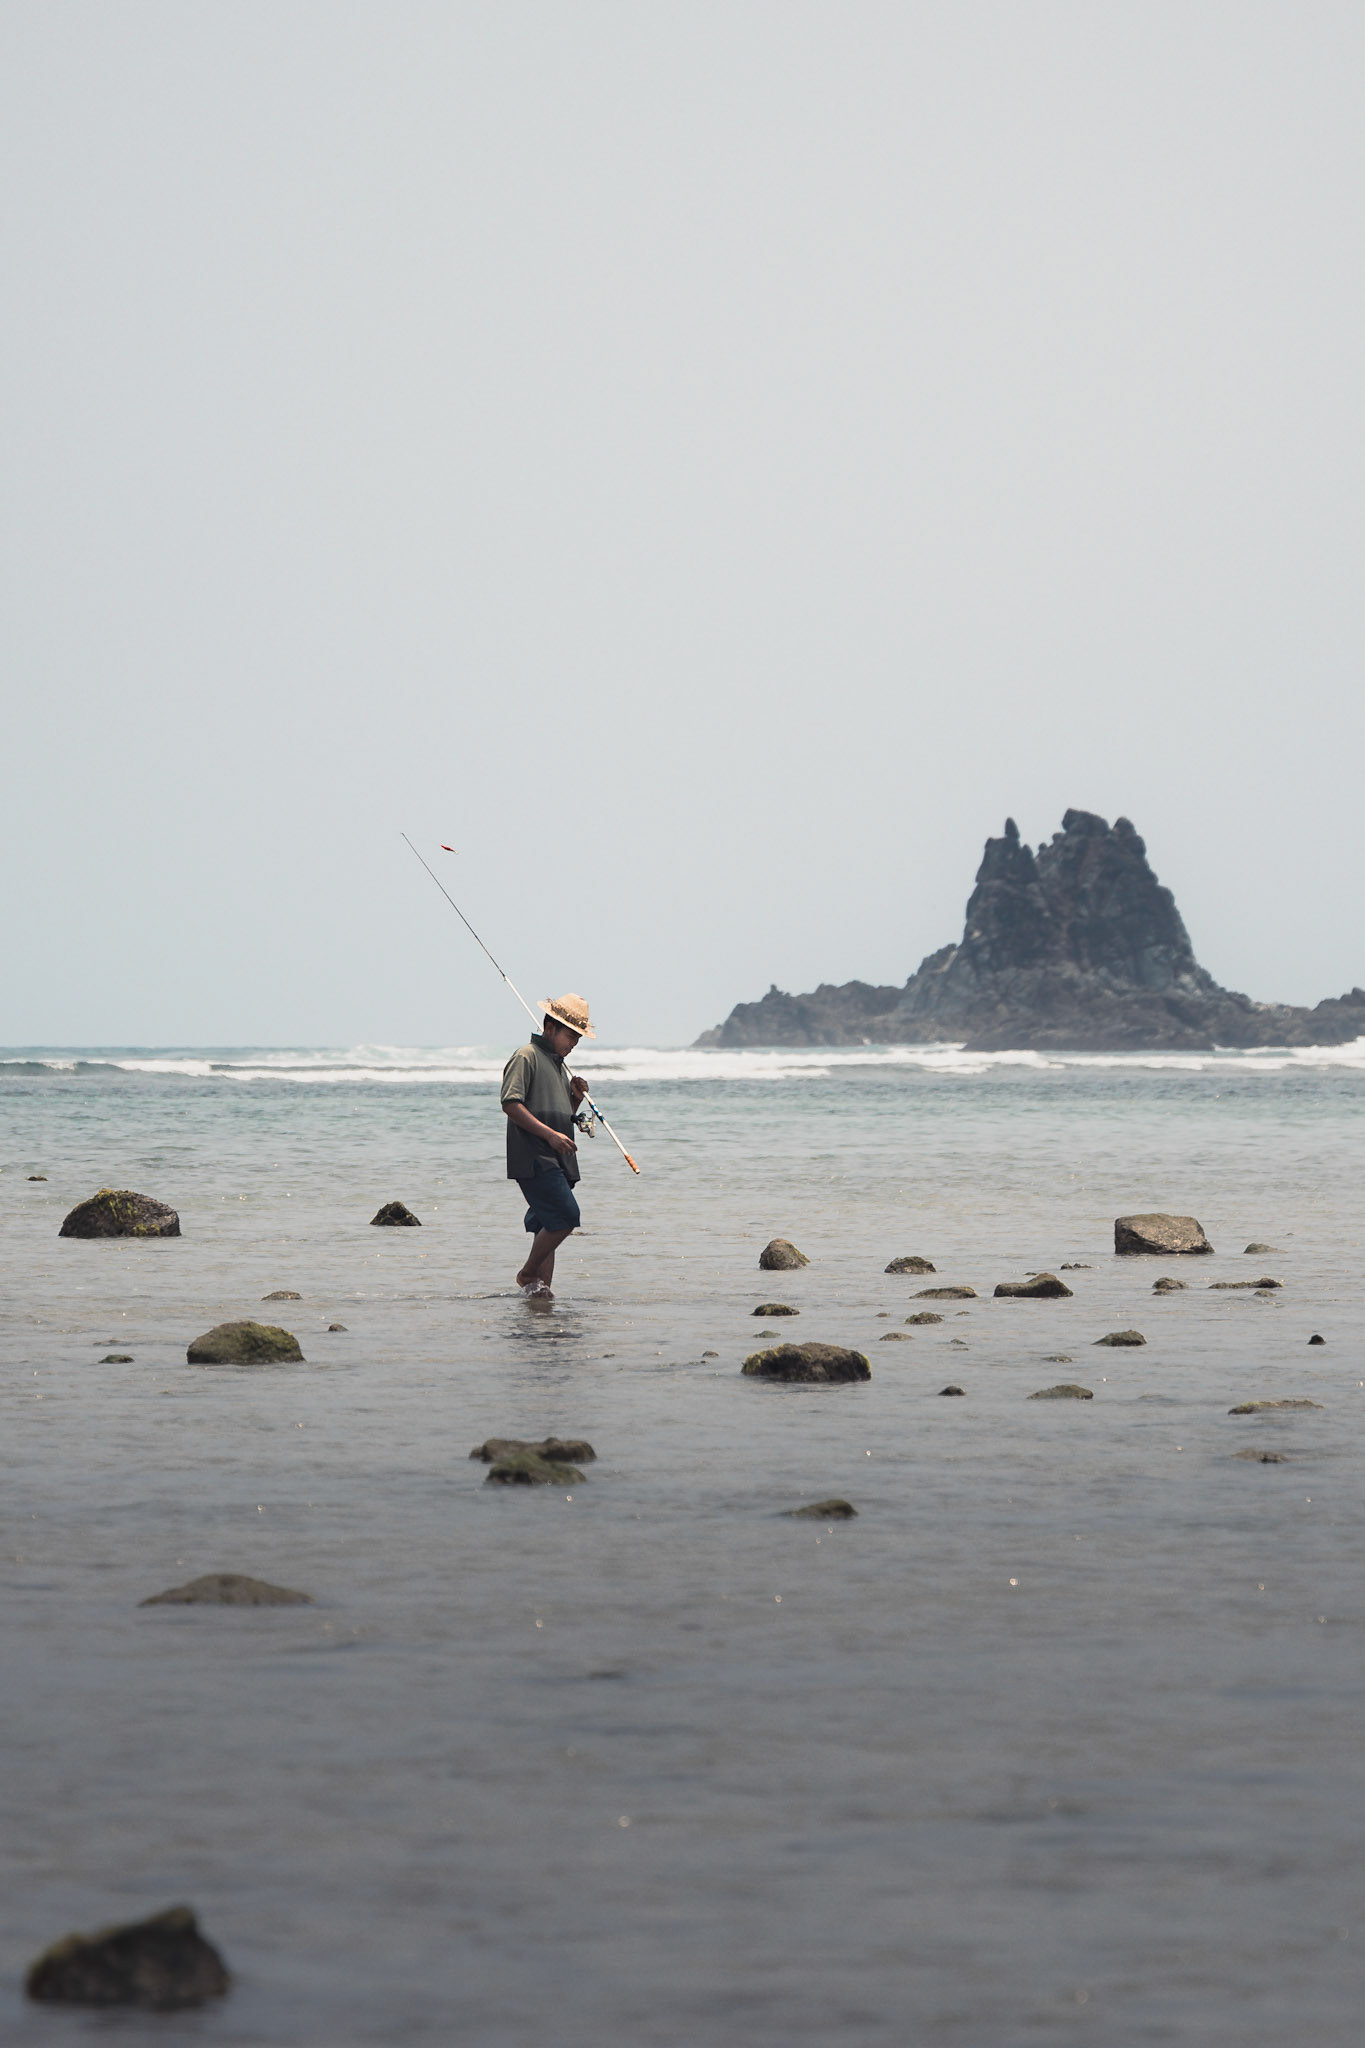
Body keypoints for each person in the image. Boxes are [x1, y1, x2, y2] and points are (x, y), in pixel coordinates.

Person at [500, 993, 595, 1297]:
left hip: (556, 1157)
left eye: (578, 1038)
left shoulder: (557, 1065)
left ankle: (539, 1293)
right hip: (534, 1156)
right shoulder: (526, 1056)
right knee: (566, 1217)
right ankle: (527, 1274)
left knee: (548, 1222)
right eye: (571, 1036)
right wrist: (550, 1135)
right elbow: (510, 1103)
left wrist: (574, 1100)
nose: (574, 1044)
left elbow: (558, 1113)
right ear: (551, 1028)